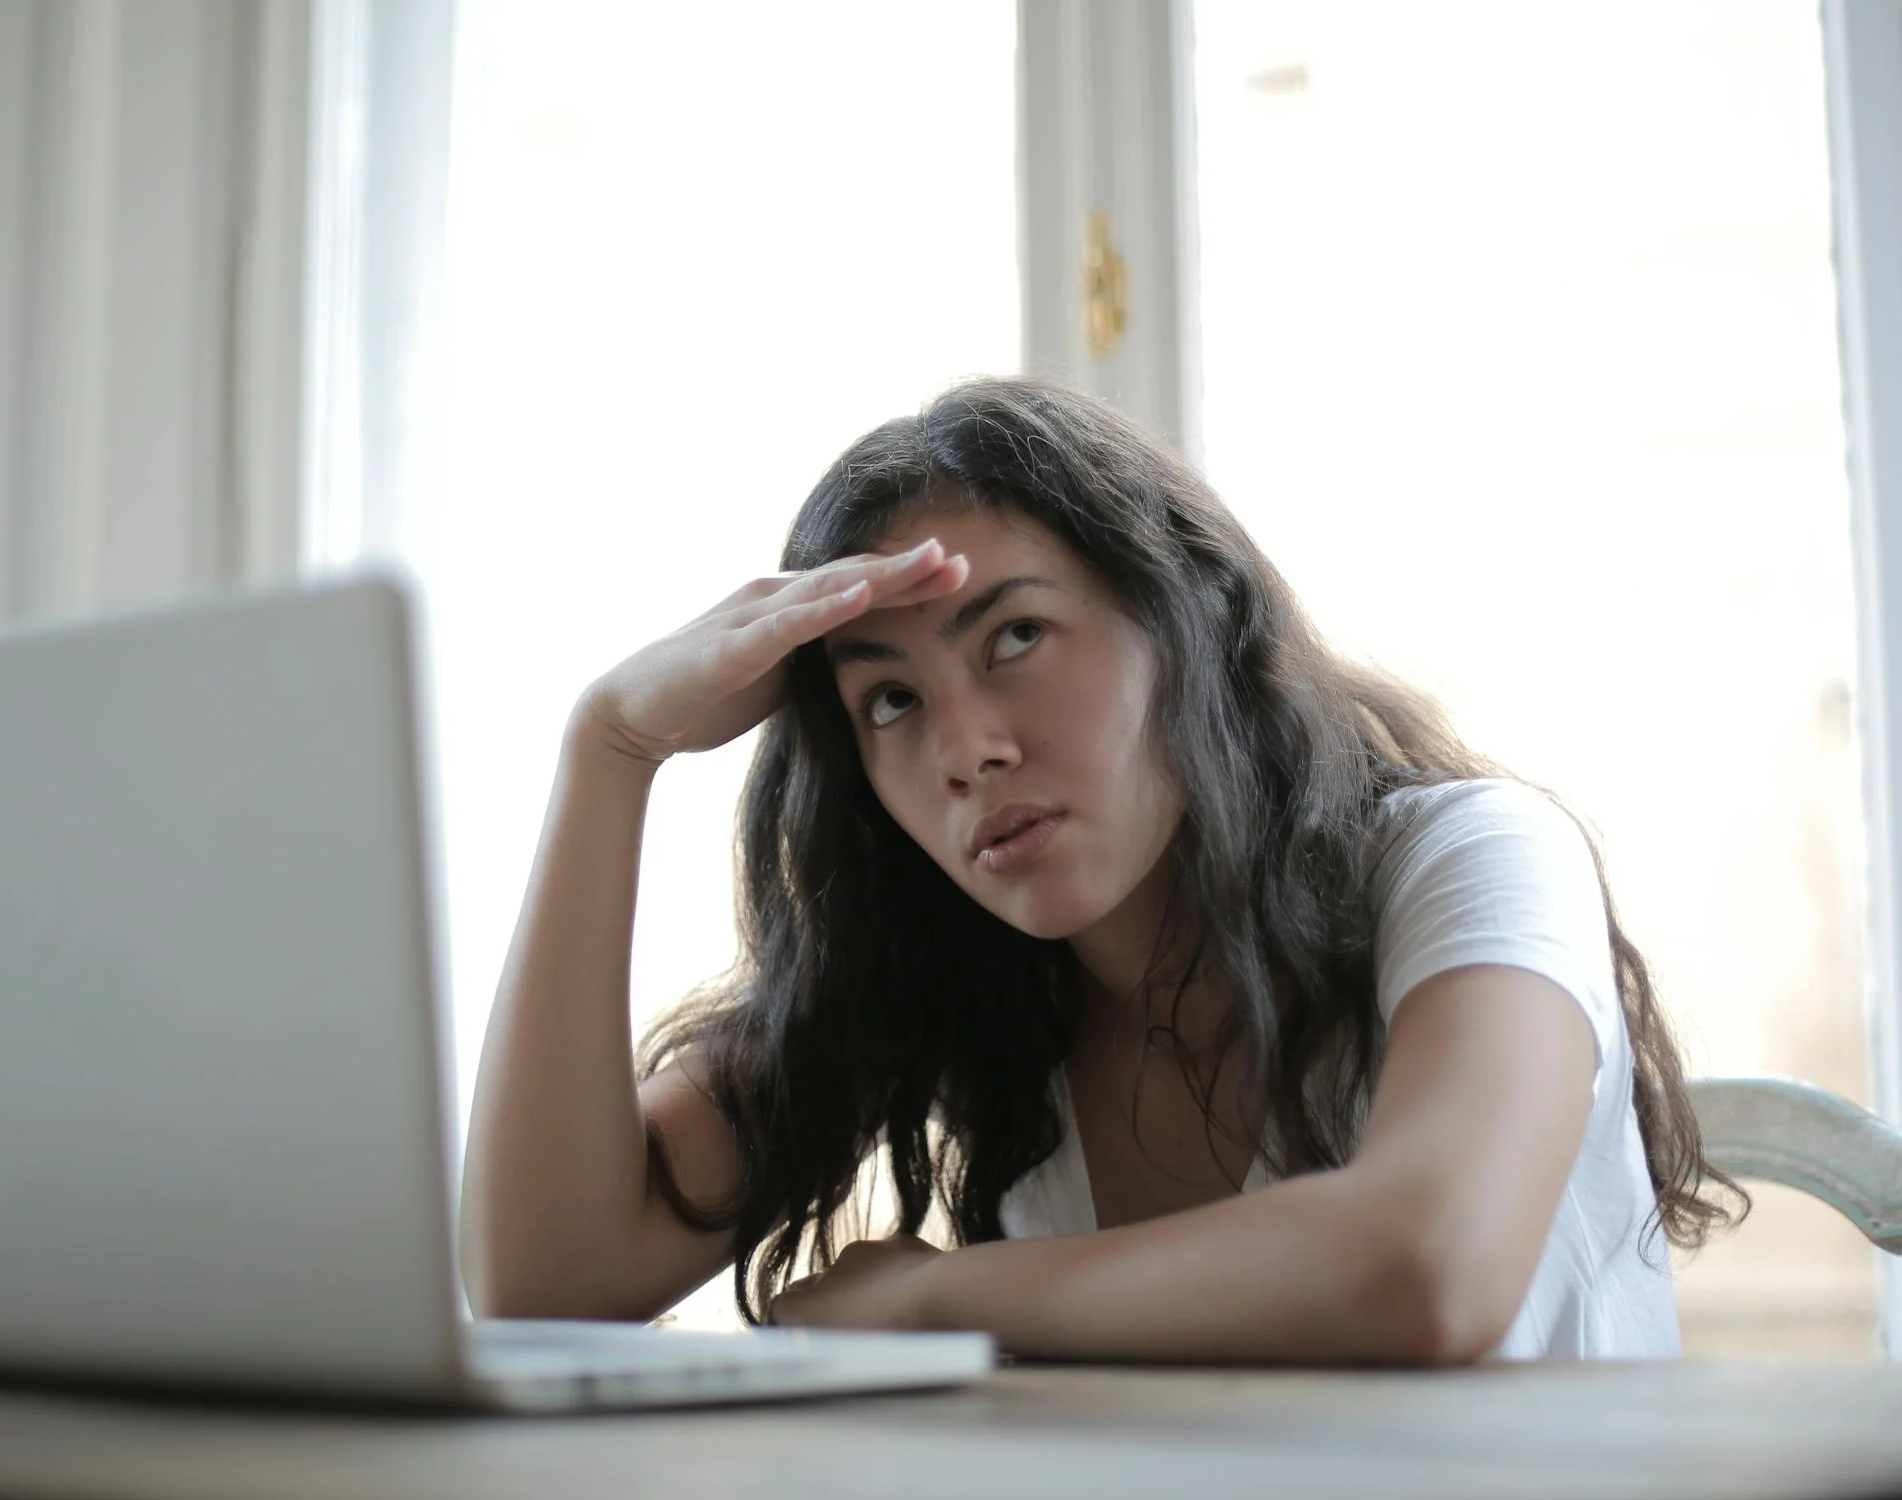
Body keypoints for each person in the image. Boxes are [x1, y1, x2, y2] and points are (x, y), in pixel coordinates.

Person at [459, 376, 1745, 1364]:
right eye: (891, 702)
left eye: (1015, 634)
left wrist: (931, 1296)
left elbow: (1431, 1265)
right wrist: (609, 749)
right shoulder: (952, 969)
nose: (969, 748)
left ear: (1185, 617)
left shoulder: (1471, 859)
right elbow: (545, 1280)